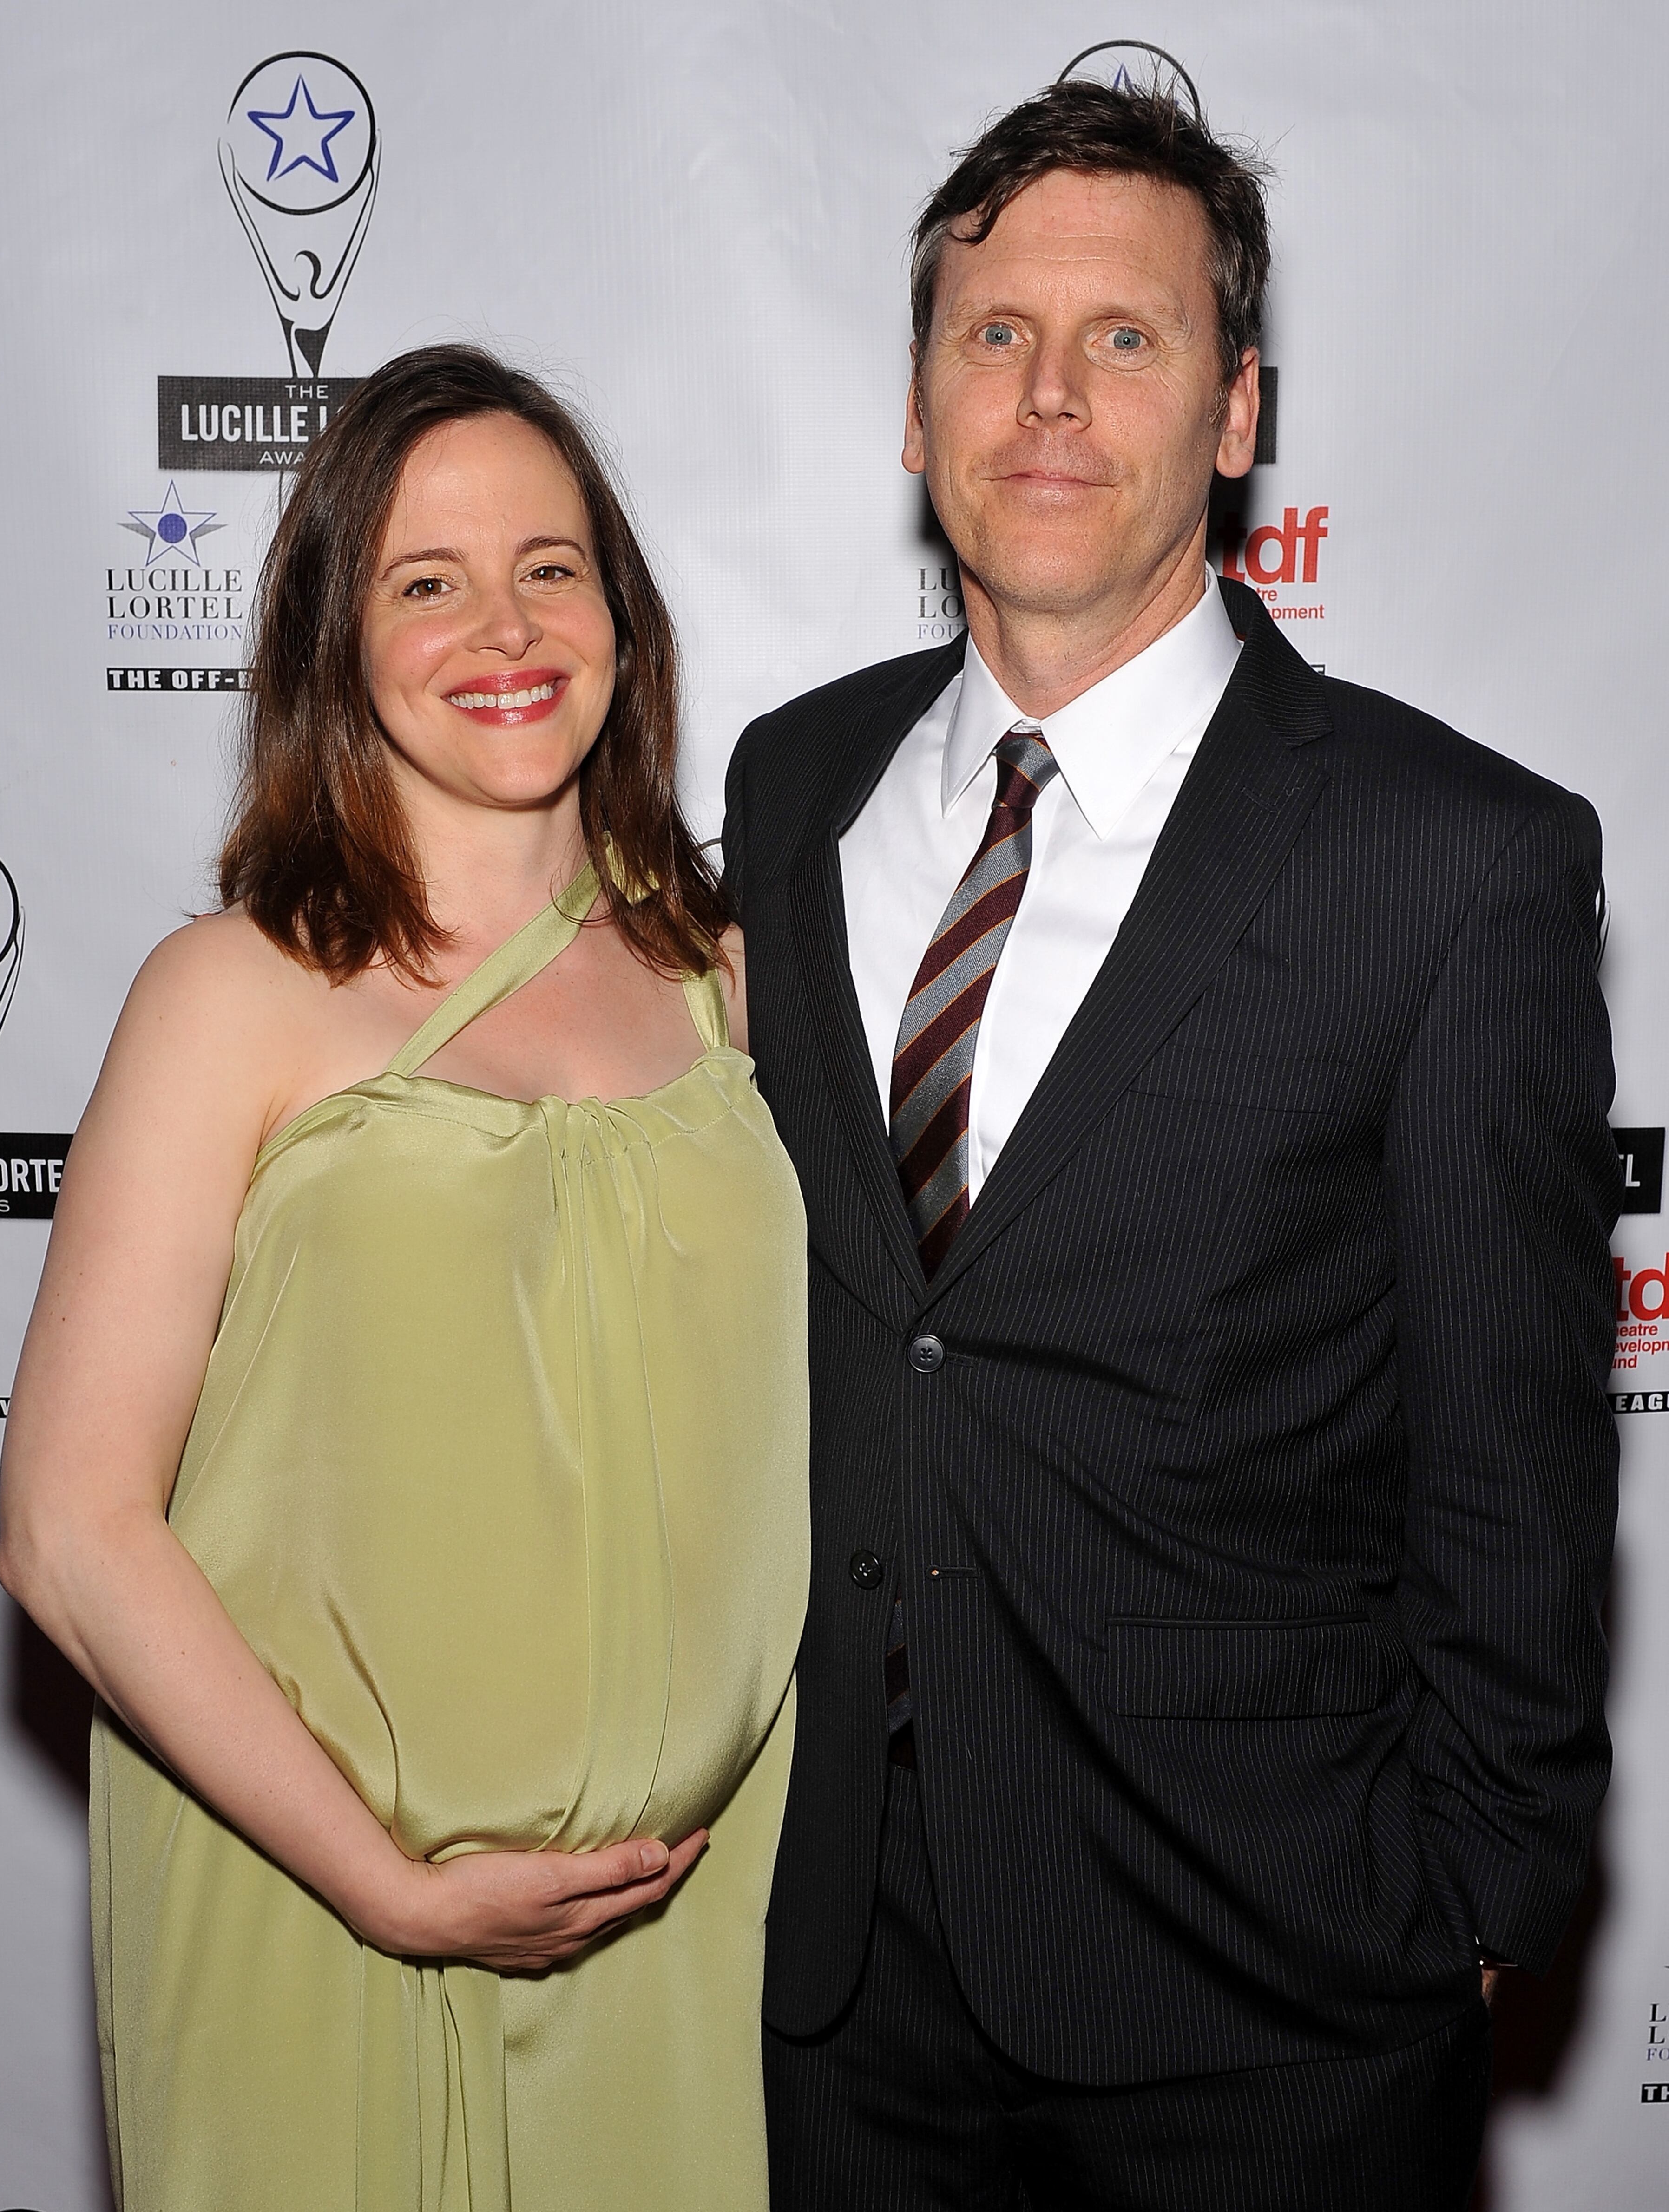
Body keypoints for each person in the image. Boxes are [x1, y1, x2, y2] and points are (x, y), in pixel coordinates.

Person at [726, 75, 1620, 2212]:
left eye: (1125, 339)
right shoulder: (786, 787)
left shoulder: (1455, 860)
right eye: (992, 336)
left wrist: (1474, 1905)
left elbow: (1518, 1458)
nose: (1048, 399)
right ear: (919, 405)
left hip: (1273, 1993)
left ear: (1238, 415)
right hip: (836, 1965)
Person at [0, 343, 810, 2212]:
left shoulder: (741, 981)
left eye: (550, 565)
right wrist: (397, 1890)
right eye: (424, 580)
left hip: (696, 1932)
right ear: (334, 642)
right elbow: (71, 1526)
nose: (504, 625)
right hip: (322, 1926)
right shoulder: (232, 994)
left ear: (624, 611)